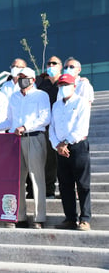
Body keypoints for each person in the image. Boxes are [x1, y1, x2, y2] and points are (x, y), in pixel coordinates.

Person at [0, 67, 50, 229]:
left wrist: (25, 126)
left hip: (34, 137)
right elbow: (9, 121)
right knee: (18, 179)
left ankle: (39, 217)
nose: (21, 80)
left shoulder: (41, 95)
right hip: (16, 141)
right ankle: (20, 216)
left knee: (36, 178)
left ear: (32, 80)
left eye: (24, 77)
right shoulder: (14, 97)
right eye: (19, 77)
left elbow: (45, 118)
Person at [49, 74, 92, 231]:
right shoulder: (56, 105)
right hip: (60, 149)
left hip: (77, 146)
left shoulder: (81, 103)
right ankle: (70, 218)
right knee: (65, 185)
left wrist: (65, 142)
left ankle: (85, 218)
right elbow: (52, 128)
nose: (63, 88)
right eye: (61, 85)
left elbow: (81, 127)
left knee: (82, 184)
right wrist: (57, 145)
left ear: (74, 86)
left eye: (66, 85)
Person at [35, 56, 63, 198]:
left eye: (54, 63)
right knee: (49, 160)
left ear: (60, 66)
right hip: (46, 126)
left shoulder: (64, 83)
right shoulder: (42, 84)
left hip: (61, 127)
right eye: (49, 63)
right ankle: (49, 190)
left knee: (63, 161)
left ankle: (66, 190)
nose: (51, 65)